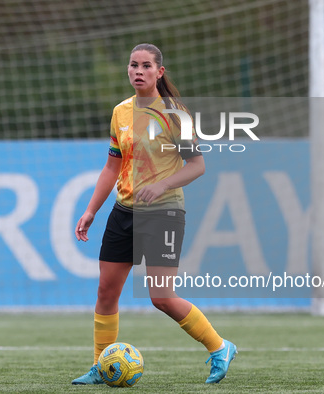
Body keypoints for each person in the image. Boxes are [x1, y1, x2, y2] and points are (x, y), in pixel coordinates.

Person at [71, 43, 237, 385]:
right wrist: (91, 210)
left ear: (159, 72)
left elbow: (197, 166)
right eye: (133, 65)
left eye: (146, 66)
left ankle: (220, 347)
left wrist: (161, 186)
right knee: (106, 292)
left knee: (161, 297)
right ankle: (100, 367)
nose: (138, 71)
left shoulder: (175, 114)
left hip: (164, 213)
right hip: (124, 212)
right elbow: (111, 167)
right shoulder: (120, 112)